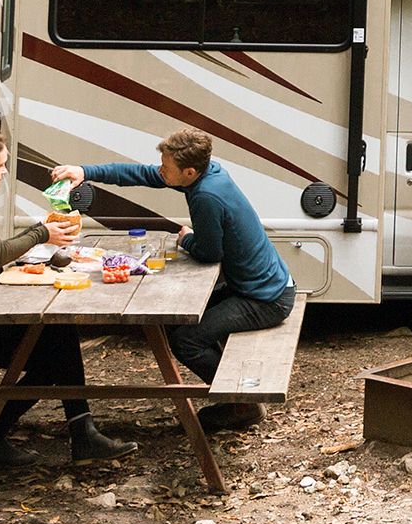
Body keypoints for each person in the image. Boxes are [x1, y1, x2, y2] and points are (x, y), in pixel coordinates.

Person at [54, 128, 292, 431]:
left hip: (265, 298)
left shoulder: (207, 195)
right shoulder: (208, 173)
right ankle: (237, 397)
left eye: (166, 167)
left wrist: (185, 238)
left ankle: (243, 404)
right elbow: (139, 173)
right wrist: (85, 171)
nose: (160, 170)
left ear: (189, 171)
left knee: (187, 340)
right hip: (262, 284)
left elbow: (209, 253)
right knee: (183, 322)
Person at [0, 125, 135, 465]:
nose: (5, 171)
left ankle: (80, 435)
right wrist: (42, 233)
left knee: (58, 339)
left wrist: (39, 243)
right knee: (55, 352)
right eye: (1, 164)